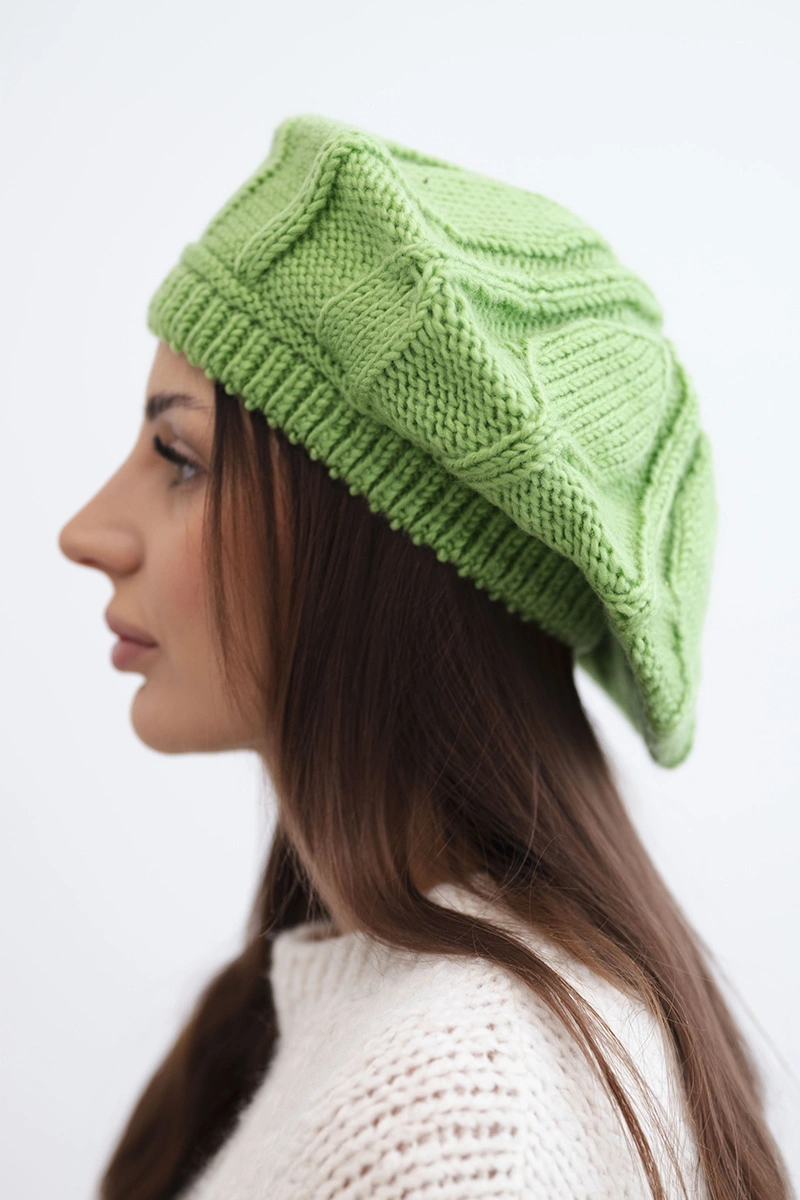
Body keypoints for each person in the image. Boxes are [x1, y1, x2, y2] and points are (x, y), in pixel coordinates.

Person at [58, 114, 792, 1200]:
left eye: (181, 458)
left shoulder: (454, 1119)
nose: (85, 533)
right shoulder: (377, 1022)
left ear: (385, 545)